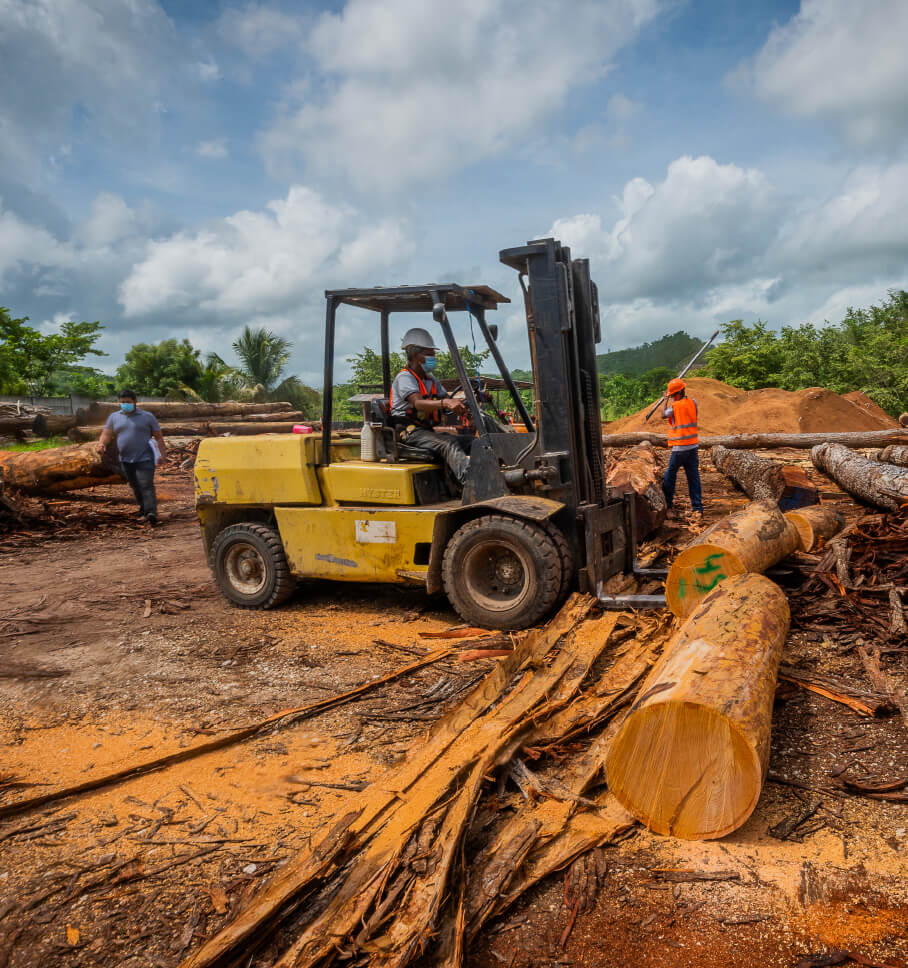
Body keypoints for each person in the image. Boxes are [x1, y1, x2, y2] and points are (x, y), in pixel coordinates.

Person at [389, 328, 471, 486]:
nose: (433, 358)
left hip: (426, 432)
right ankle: (471, 485)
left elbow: (446, 400)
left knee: (473, 442)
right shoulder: (405, 378)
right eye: (429, 354)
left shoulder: (430, 379)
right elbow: (418, 403)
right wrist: (446, 403)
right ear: (415, 355)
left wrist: (471, 400)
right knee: (448, 443)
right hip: (409, 433)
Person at [97, 389, 167, 525]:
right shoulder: (114, 417)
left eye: (128, 402)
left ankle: (151, 512)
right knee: (135, 486)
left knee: (146, 484)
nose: (125, 405)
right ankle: (143, 510)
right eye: (122, 402)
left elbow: (158, 436)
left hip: (145, 457)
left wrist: (162, 454)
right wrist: (101, 444)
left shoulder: (147, 416)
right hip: (125, 459)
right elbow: (106, 434)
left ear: (135, 402)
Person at [660, 377, 703, 517]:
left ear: (677, 394)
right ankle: (697, 508)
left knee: (669, 475)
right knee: (693, 477)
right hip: (693, 447)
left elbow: (662, 415)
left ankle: (668, 504)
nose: (671, 397)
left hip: (679, 448)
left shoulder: (674, 407)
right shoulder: (693, 402)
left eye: (672, 395)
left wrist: (665, 399)